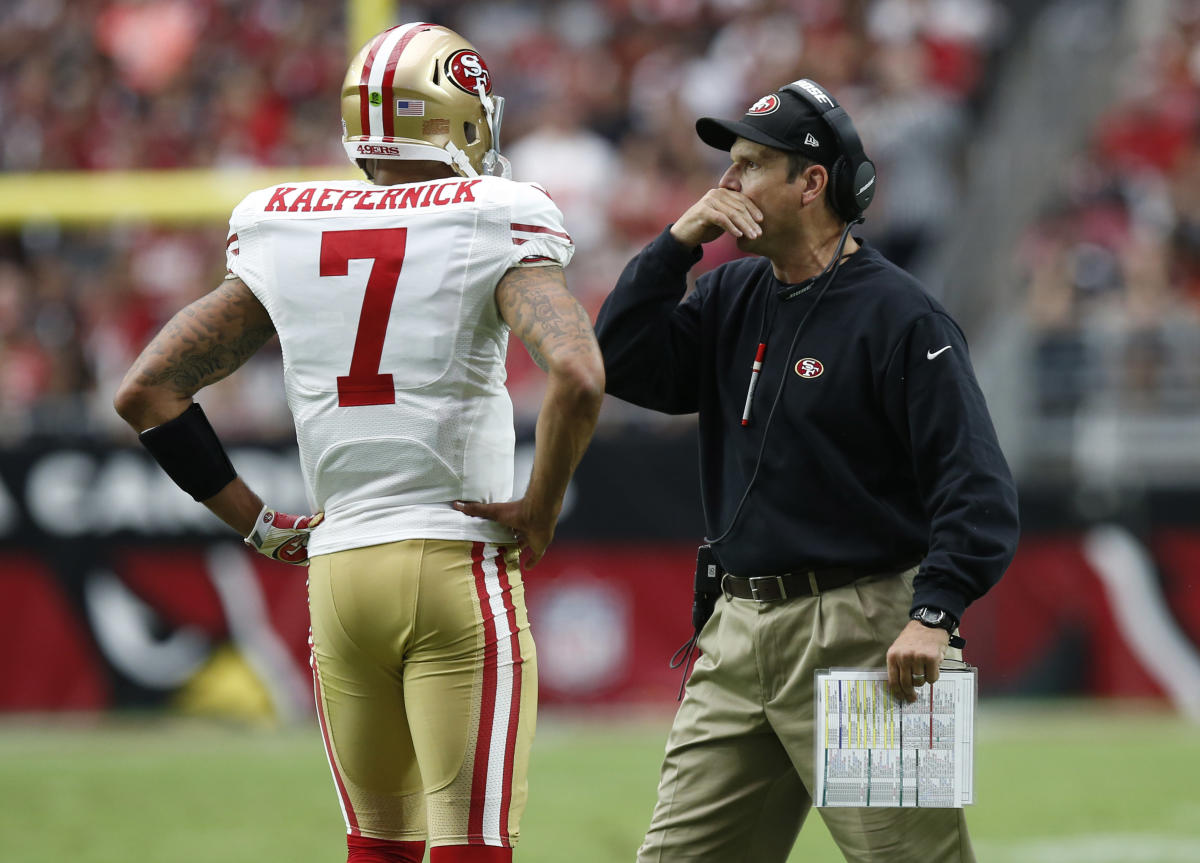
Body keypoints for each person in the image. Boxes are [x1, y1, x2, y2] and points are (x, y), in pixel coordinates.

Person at [114, 23, 604, 863]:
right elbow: (579, 375)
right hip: (457, 561)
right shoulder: (496, 215)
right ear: (461, 116)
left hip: (339, 574)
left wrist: (259, 524)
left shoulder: (284, 223)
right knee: (473, 845)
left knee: (376, 848)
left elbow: (147, 391)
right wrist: (540, 505)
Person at [595, 79, 1019, 863]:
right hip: (737, 627)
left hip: (867, 634)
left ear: (811, 182)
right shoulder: (727, 292)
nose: (726, 184)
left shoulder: (903, 316)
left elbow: (976, 482)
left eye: (750, 165)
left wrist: (934, 613)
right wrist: (674, 245)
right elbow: (616, 361)